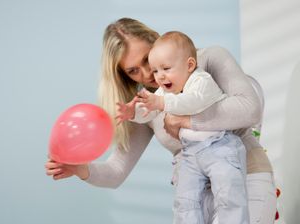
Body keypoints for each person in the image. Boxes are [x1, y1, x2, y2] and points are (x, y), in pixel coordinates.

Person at [45, 18, 276, 224]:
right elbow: (116, 171)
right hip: (194, 197)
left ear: (156, 41)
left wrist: (185, 120)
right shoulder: (147, 105)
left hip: (244, 178)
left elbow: (250, 108)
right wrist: (80, 169)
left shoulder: (208, 60)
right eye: (133, 71)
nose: (148, 74)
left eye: (147, 59)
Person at [115, 31, 249, 224]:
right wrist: (133, 112)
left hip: (219, 146)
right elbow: (150, 111)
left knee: (228, 193)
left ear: (189, 65)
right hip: (190, 154)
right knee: (185, 199)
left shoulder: (201, 81)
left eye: (166, 68)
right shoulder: (166, 90)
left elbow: (191, 102)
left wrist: (161, 102)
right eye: (155, 71)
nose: (159, 77)